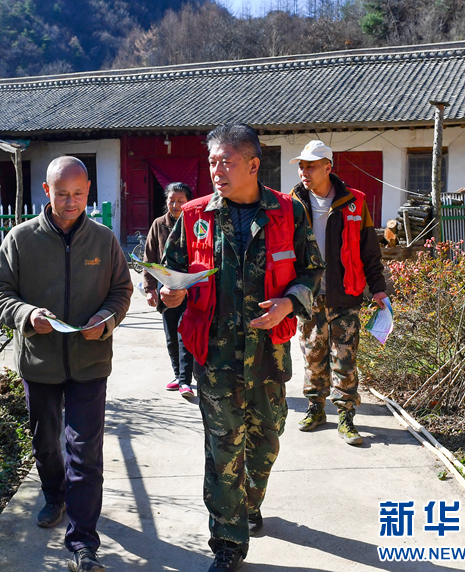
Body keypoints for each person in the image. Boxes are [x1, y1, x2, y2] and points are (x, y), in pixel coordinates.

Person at [161, 125, 324, 571]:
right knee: (222, 453)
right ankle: (228, 544)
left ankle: (250, 506)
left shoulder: (288, 213)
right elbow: (170, 273)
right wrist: (169, 293)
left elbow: (313, 271)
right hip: (214, 359)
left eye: (227, 162)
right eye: (212, 161)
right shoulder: (194, 215)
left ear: (253, 165)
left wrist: (290, 302)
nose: (217, 170)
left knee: (265, 445)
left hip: (269, 356)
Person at [0, 156, 132, 572]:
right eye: (62, 194)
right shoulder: (20, 239)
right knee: (46, 442)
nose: (71, 203)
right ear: (46, 192)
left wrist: (105, 321)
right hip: (40, 362)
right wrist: (27, 316)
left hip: (89, 362)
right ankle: (54, 495)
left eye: (79, 194)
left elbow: (121, 290)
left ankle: (84, 542)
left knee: (85, 452)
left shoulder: (103, 241)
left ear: (89, 192)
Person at [289, 140, 388, 446]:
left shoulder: (355, 201)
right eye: (302, 166)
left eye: (311, 166)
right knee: (312, 354)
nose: (305, 172)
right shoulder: (293, 201)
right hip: (308, 294)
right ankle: (316, 409)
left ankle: (345, 416)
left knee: (344, 357)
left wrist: (379, 288)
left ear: (328, 167)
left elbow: (369, 249)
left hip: (346, 292)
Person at [143, 182, 196, 399]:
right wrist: (149, 289)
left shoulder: (195, 222)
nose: (175, 205)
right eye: (171, 200)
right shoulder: (158, 225)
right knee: (170, 335)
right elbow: (149, 258)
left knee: (185, 334)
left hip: (189, 288)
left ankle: (186, 380)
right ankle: (178, 375)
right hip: (165, 289)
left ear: (188, 201)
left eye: (180, 201)